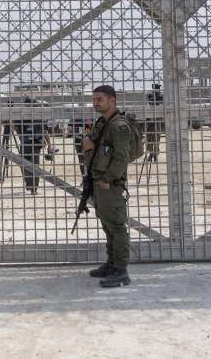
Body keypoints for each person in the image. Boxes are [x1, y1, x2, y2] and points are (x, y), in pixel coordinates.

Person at [82, 85, 137, 288]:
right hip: (99, 182)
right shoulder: (103, 123)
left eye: (100, 99)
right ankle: (112, 264)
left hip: (109, 184)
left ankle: (121, 271)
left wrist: (108, 179)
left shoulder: (118, 125)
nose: (96, 103)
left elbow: (122, 157)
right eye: (94, 99)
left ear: (112, 100)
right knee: (107, 226)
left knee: (116, 227)